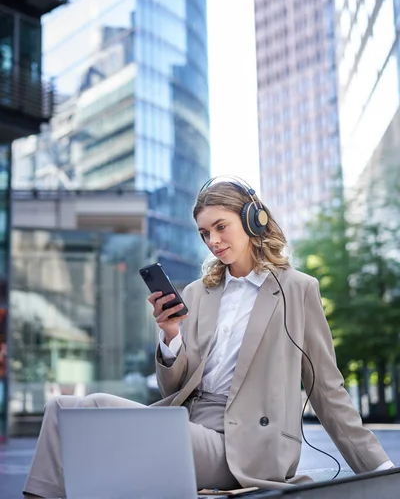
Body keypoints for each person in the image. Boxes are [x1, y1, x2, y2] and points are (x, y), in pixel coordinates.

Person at [23, 178, 394, 498]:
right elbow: (174, 385)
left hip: (248, 445)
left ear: (253, 219)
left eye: (220, 227)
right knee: (65, 411)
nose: (212, 241)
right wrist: (170, 337)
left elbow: (327, 390)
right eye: (204, 233)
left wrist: (382, 470)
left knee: (116, 425)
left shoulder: (298, 290)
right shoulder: (200, 292)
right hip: (189, 425)